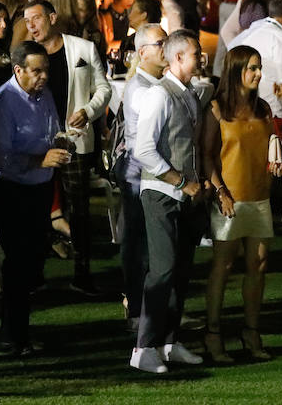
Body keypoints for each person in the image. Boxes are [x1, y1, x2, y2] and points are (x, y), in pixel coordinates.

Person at [0, 40, 69, 355]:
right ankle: (11, 336)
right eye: (36, 71)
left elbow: (53, 128)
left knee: (32, 261)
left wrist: (61, 142)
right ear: (17, 70)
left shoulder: (43, 94)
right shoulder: (1, 103)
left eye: (46, 70)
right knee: (18, 261)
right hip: (10, 187)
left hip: (39, 185)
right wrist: (39, 161)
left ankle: (20, 332)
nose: (43, 76)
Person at [131, 29, 205, 373]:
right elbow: (143, 150)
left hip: (185, 194)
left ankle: (169, 342)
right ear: (178, 58)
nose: (200, 58)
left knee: (180, 272)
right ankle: (143, 348)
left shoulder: (189, 94)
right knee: (161, 271)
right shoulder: (159, 95)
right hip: (161, 194)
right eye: (195, 54)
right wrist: (180, 180)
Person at [202, 45, 282, 363]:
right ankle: (212, 332)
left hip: (259, 195)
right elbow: (206, 155)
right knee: (223, 266)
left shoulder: (263, 108)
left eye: (259, 67)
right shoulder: (218, 107)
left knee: (258, 265)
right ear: (236, 71)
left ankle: (251, 330)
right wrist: (221, 192)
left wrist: (279, 158)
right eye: (252, 68)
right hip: (229, 199)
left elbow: (271, 144)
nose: (258, 73)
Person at [24, 0, 111, 294]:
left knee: (80, 209)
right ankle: (34, 274)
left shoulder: (82, 49)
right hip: (39, 142)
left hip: (76, 138)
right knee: (36, 208)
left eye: (35, 18)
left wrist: (88, 110)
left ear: (52, 17)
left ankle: (82, 273)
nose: (31, 25)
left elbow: (104, 87)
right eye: (26, 21)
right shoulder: (27, 55)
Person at [118, 23, 167, 331]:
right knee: (141, 246)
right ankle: (139, 309)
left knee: (148, 245)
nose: (168, 47)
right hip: (140, 174)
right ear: (144, 52)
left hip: (144, 172)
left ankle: (149, 308)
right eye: (162, 43)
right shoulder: (142, 88)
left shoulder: (151, 83)